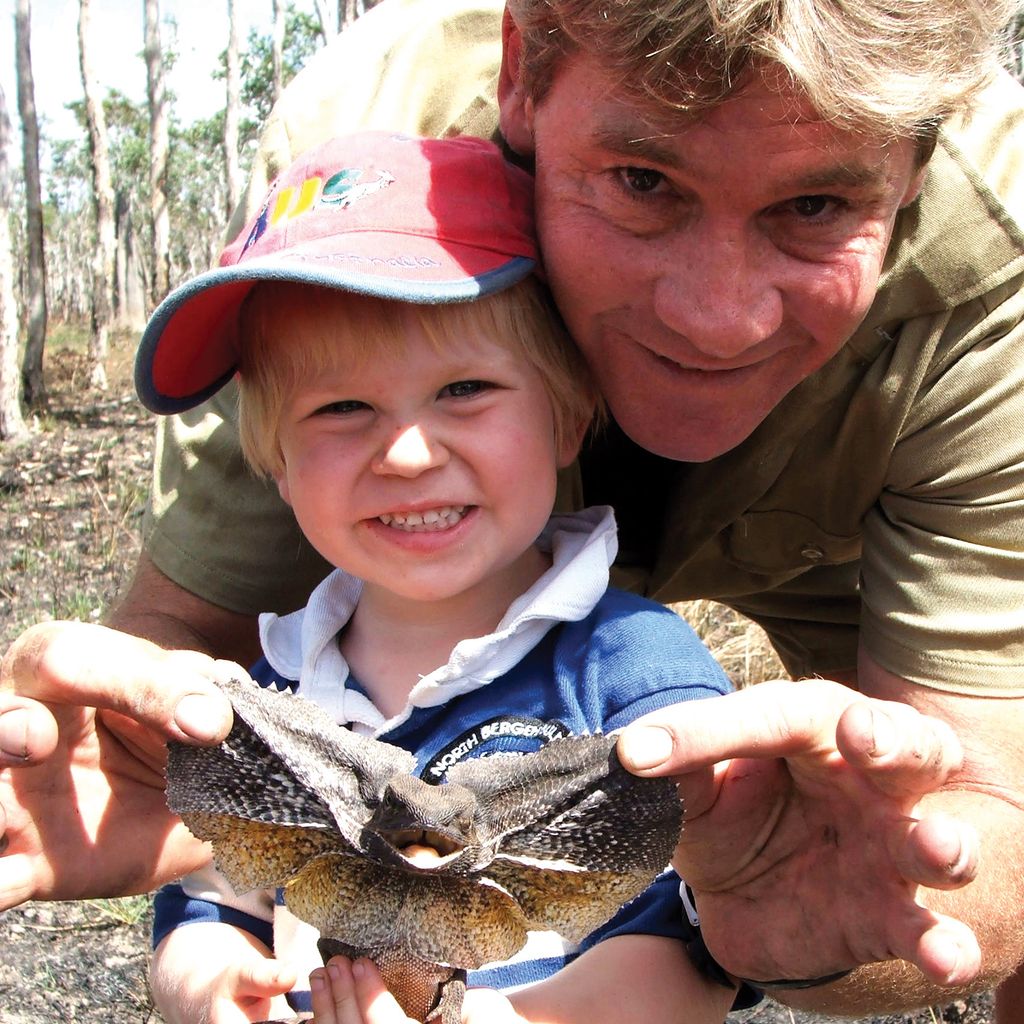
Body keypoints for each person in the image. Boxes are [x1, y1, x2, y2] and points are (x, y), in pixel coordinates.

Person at [2, 0, 1022, 1016]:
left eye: (813, 207)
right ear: (522, 72)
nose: (719, 318)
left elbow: (977, 810)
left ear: (917, 167)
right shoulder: (353, 168)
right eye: (642, 180)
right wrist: (202, 943)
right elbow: (169, 709)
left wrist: (784, 918)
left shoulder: (991, 256)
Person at [137, 129, 737, 1024]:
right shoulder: (267, 696)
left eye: (465, 390)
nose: (409, 453)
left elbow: (694, 953)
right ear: (276, 465)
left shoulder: (628, 667)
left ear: (568, 417)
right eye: (341, 408)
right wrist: (209, 986)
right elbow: (208, 899)